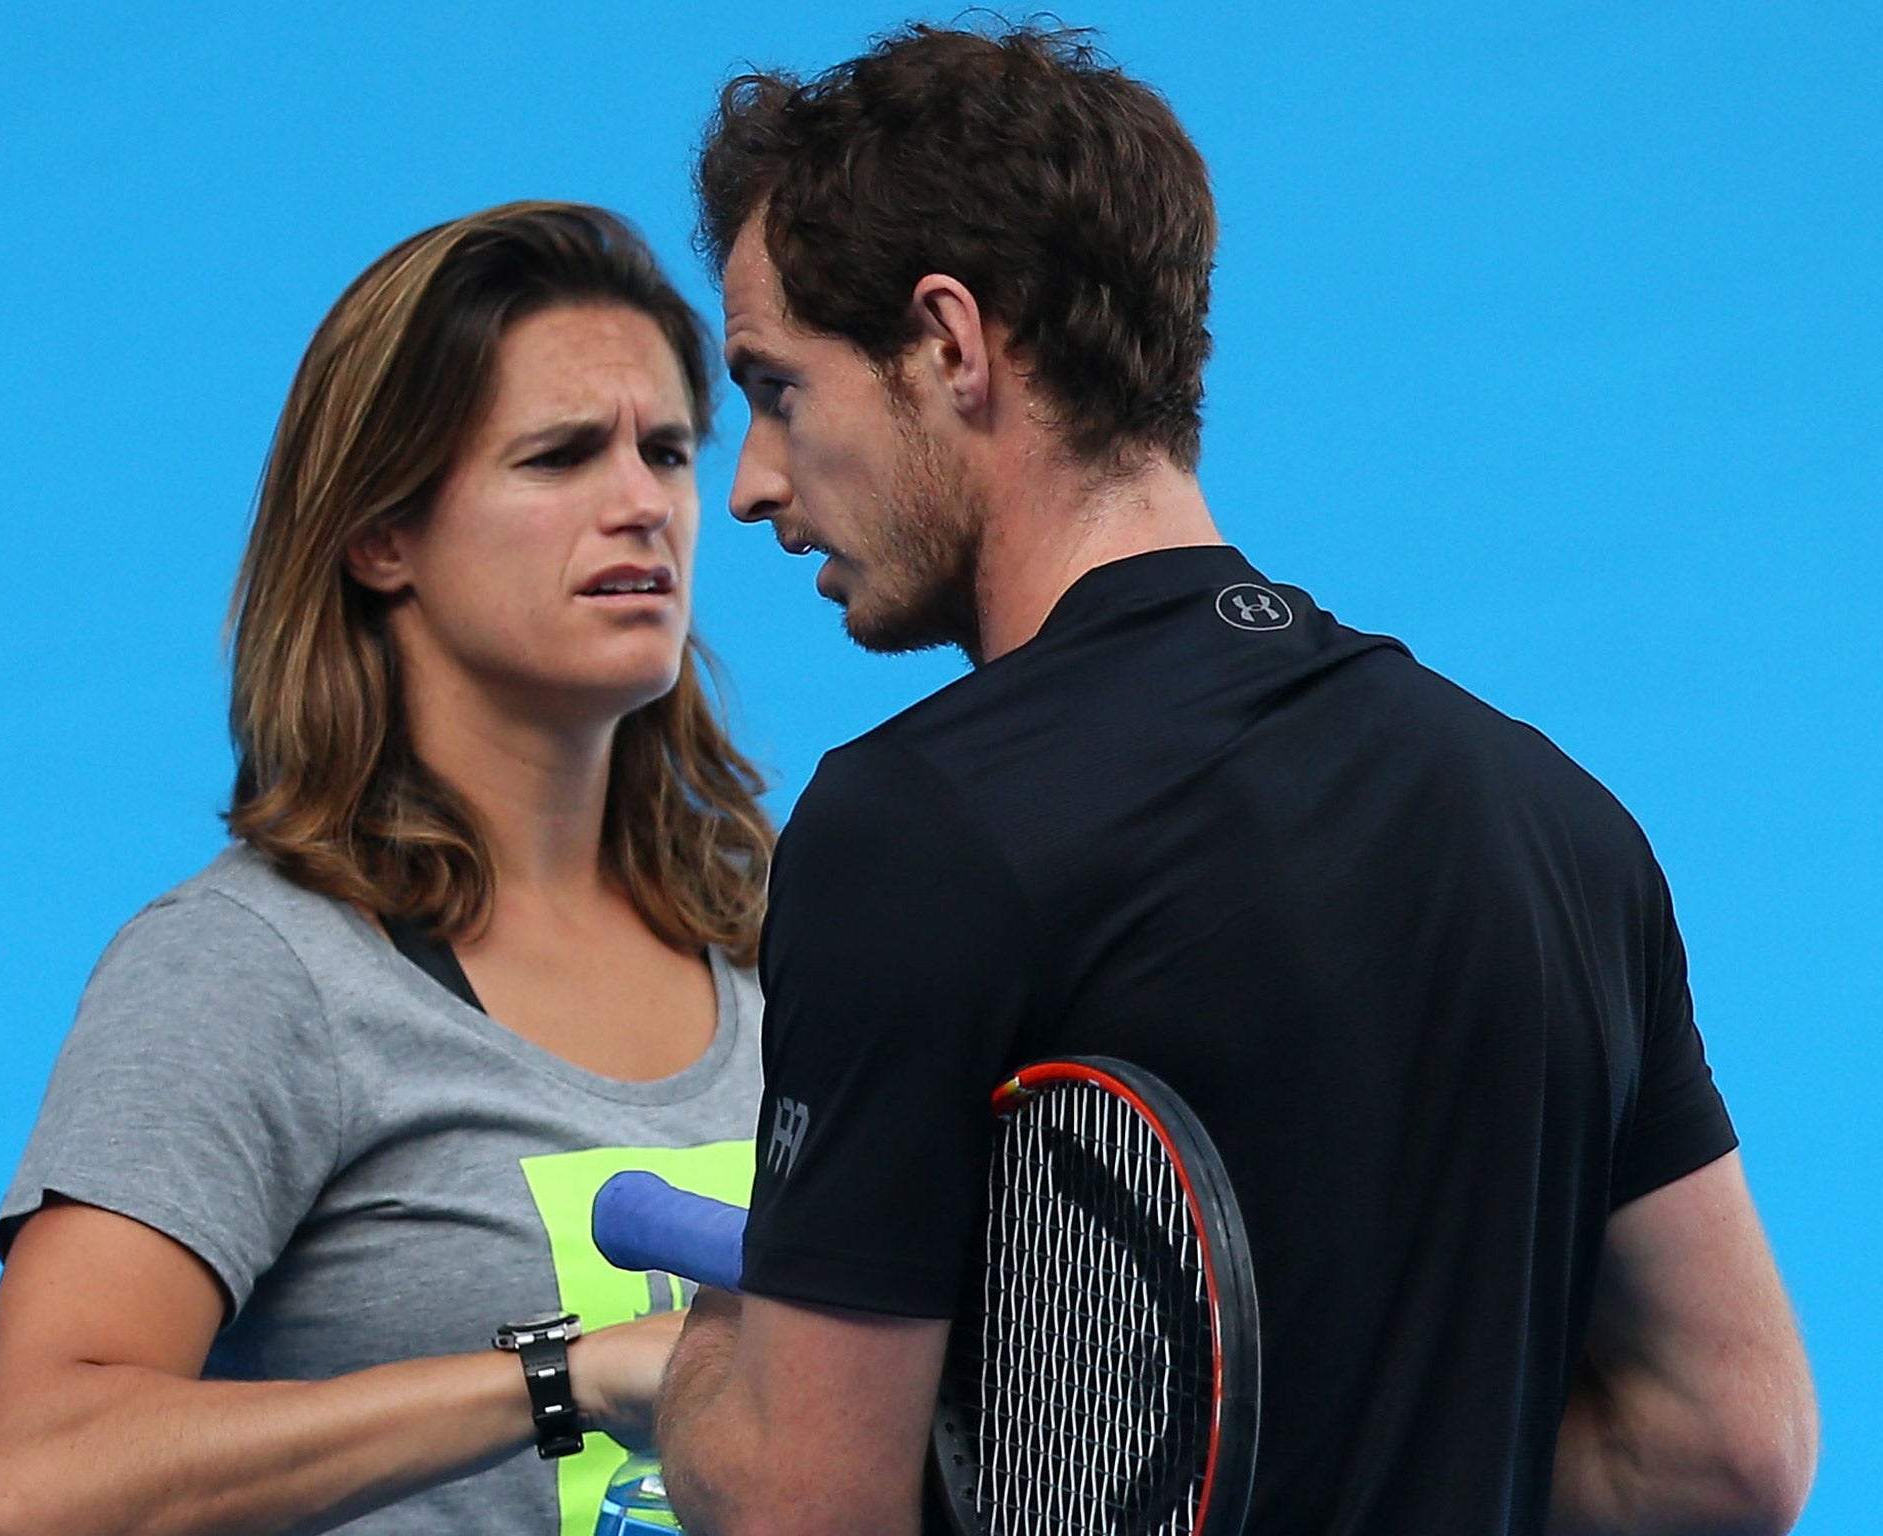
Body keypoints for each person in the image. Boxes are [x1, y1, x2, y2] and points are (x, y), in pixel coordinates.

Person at [653, 24, 1818, 1536]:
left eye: (776, 386)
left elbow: (803, 1507)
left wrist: (704, 1348)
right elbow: (1728, 1450)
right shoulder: (1565, 825)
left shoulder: (911, 831)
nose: (751, 481)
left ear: (951, 344)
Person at [0, 201, 774, 1536]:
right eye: (562, 456)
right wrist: (565, 1379)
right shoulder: (250, 972)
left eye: (669, 451)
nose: (643, 505)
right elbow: (36, 1481)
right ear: (380, 534)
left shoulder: (773, 941)